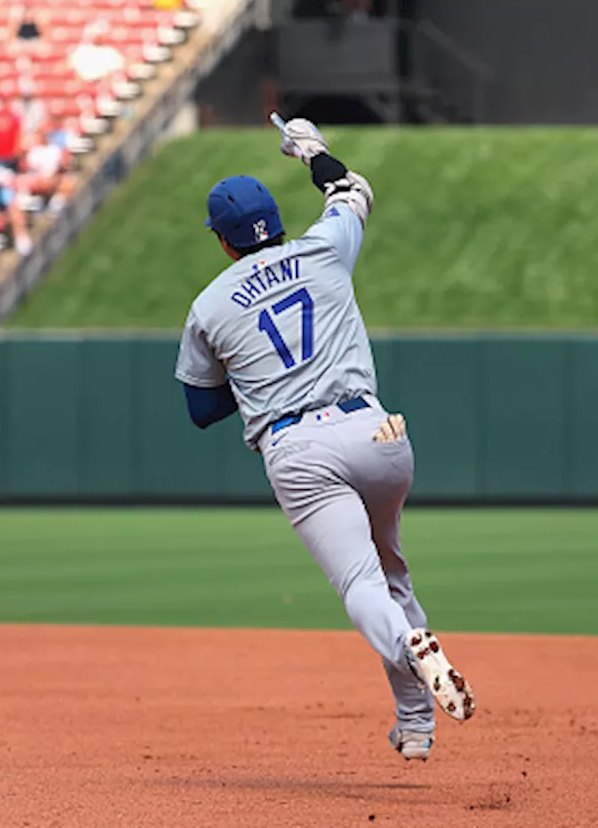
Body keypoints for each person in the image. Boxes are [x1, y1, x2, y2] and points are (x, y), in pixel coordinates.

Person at [173, 118, 476, 762]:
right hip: (378, 432)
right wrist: (310, 150)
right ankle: (417, 724)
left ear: (223, 244)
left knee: (361, 584)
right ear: (276, 220)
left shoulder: (211, 305)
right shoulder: (323, 249)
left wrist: (256, 378)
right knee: (392, 572)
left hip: (302, 452)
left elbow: (201, 409)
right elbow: (352, 192)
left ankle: (410, 649)